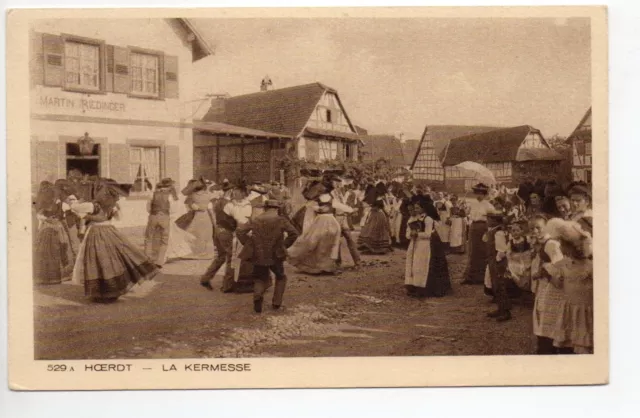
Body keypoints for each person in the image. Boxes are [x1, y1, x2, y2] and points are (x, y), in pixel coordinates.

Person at [71, 181, 158, 303]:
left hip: (96, 232)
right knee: (112, 259)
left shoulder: (92, 205)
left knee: (97, 260)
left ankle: (102, 292)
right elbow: (119, 218)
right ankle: (112, 289)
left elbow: (73, 207)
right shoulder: (113, 204)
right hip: (110, 231)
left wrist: (83, 213)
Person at [236, 199, 299, 313]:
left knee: (260, 278)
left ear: (265, 208)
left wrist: (249, 244)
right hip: (276, 254)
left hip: (259, 254)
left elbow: (240, 231)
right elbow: (294, 233)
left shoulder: (256, 219)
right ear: (277, 209)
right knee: (280, 277)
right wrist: (284, 245)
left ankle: (257, 296)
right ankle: (276, 303)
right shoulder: (281, 220)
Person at [544, 218, 593, 354]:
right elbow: (558, 283)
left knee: (584, 344)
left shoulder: (590, 267)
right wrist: (549, 275)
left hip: (585, 309)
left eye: (563, 245)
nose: (560, 247)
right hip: (570, 307)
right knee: (569, 341)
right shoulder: (564, 264)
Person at [529, 214, 570, 354]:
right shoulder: (542, 243)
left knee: (549, 317)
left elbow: (560, 267)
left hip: (552, 287)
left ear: (546, 227)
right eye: (532, 228)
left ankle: (548, 349)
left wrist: (544, 271)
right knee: (543, 316)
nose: (535, 231)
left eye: (538, 227)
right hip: (544, 286)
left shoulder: (551, 244)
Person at [404, 195, 451, 298]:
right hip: (416, 244)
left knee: (425, 264)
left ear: (423, 208)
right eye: (415, 208)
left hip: (426, 244)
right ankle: (415, 285)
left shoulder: (428, 219)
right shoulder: (414, 218)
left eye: (417, 208)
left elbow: (428, 234)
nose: (416, 210)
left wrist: (418, 234)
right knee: (416, 265)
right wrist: (410, 234)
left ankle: (426, 288)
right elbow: (407, 233)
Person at [287, 193, 342, 275]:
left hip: (328, 220)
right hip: (323, 221)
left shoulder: (331, 198)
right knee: (318, 243)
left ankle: (327, 267)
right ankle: (319, 267)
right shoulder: (318, 200)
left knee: (328, 243)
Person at [33, 181, 75, 285]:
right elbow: (40, 214)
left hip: (53, 227)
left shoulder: (59, 202)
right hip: (53, 227)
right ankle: (54, 276)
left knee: (56, 249)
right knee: (55, 250)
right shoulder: (56, 203)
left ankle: (56, 275)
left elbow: (40, 214)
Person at [200, 181, 236, 292]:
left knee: (221, 257)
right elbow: (229, 220)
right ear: (230, 191)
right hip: (226, 231)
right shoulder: (229, 204)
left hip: (217, 231)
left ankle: (206, 278)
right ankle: (227, 285)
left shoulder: (217, 202)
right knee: (231, 257)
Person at [462, 183, 495, 285]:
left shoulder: (489, 206)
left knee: (482, 251)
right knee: (472, 250)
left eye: (481, 193)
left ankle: (482, 277)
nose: (479, 195)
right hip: (473, 227)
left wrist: (487, 231)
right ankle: (471, 276)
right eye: (477, 193)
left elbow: (492, 220)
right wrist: (463, 207)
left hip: (483, 228)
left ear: (485, 194)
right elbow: (466, 214)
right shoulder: (472, 204)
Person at [177, 178, 215, 259]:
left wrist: (198, 207)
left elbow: (191, 205)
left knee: (196, 233)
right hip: (206, 215)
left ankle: (198, 252)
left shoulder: (193, 196)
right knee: (206, 234)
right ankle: (207, 252)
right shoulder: (208, 195)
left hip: (197, 215)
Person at [144, 178, 178, 268]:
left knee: (149, 238)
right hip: (165, 217)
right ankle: (159, 261)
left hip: (153, 216)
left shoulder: (152, 194)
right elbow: (173, 209)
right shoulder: (170, 196)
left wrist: (154, 212)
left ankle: (148, 259)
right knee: (164, 240)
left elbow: (148, 208)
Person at [484, 213, 513, 322]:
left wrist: (496, 261)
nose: (487, 221)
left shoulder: (499, 232)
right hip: (493, 260)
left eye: (489, 219)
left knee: (500, 286)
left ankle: (505, 311)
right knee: (496, 285)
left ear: (495, 221)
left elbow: (501, 250)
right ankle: (500, 308)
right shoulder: (493, 230)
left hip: (497, 262)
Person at [330, 176, 361, 268]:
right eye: (336, 182)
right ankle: (338, 263)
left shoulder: (339, 192)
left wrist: (348, 210)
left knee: (350, 240)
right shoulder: (331, 193)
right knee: (337, 241)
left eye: (339, 182)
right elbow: (336, 205)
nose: (338, 184)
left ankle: (357, 261)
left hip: (343, 218)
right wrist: (350, 210)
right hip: (335, 218)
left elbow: (342, 204)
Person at [357, 190, 393, 255]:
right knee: (372, 230)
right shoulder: (376, 200)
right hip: (375, 216)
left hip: (378, 216)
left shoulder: (379, 200)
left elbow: (380, 208)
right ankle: (374, 247)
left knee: (375, 230)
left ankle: (378, 248)